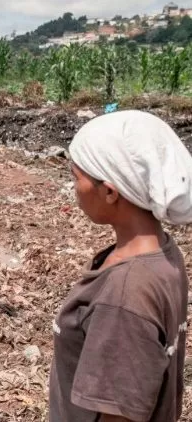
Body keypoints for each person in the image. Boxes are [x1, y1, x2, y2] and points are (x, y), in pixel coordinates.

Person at [50, 110, 191, 422]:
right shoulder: (164, 252)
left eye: (77, 178)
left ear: (110, 191)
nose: (74, 188)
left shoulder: (126, 293)